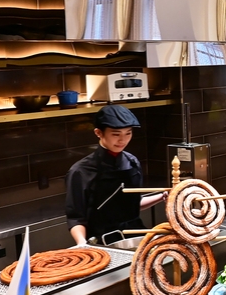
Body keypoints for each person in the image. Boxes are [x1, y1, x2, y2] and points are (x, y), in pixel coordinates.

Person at [65, 105, 166, 245]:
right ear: (99, 133)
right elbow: (76, 218)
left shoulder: (132, 162)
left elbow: (131, 205)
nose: (122, 140)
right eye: (116, 134)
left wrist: (162, 196)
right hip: (101, 241)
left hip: (136, 237)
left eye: (128, 133)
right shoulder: (80, 171)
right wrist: (82, 243)